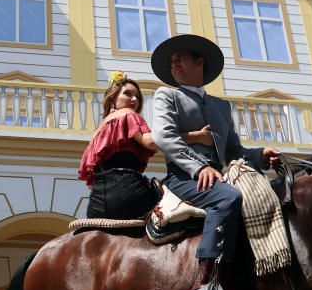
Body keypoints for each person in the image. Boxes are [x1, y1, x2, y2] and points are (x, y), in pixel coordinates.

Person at [150, 34, 281, 290]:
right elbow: (164, 137)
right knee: (228, 197)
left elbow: (233, 150)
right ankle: (205, 285)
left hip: (216, 176)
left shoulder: (222, 107)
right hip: (182, 178)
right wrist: (199, 167)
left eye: (179, 59)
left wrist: (260, 155)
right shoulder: (167, 95)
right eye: (171, 62)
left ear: (200, 62)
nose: (174, 65)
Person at [78, 71, 216, 219]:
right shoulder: (128, 114)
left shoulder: (97, 131)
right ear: (113, 99)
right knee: (182, 207)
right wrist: (197, 136)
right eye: (128, 94)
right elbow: (151, 141)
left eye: (137, 96)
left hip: (97, 201)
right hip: (127, 190)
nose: (134, 99)